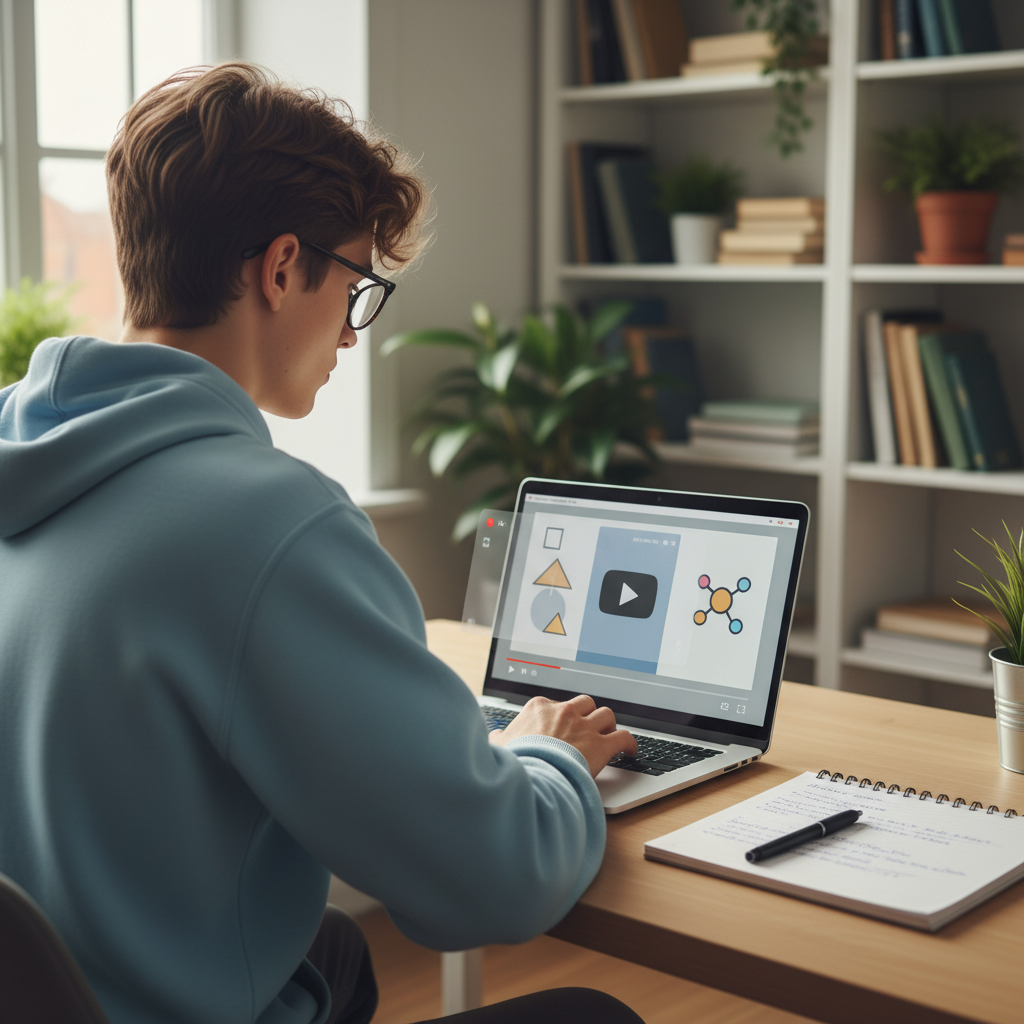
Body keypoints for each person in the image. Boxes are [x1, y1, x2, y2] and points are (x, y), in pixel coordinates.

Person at [0, 63, 643, 1024]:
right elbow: (491, 883)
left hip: (59, 987)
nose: (352, 334)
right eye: (357, 287)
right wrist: (544, 756)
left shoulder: (24, 453)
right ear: (283, 266)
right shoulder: (267, 523)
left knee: (334, 953)